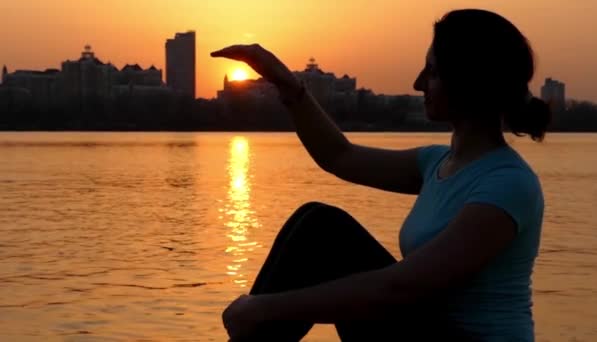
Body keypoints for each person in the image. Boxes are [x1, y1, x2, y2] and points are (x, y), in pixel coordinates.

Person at [211, 9, 550, 341]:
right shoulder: (436, 163)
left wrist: (266, 308)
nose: (418, 83)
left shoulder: (507, 183)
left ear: (467, 80)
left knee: (324, 230)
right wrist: (286, 83)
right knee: (316, 222)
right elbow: (338, 155)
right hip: (425, 329)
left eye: (431, 72)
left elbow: (401, 287)